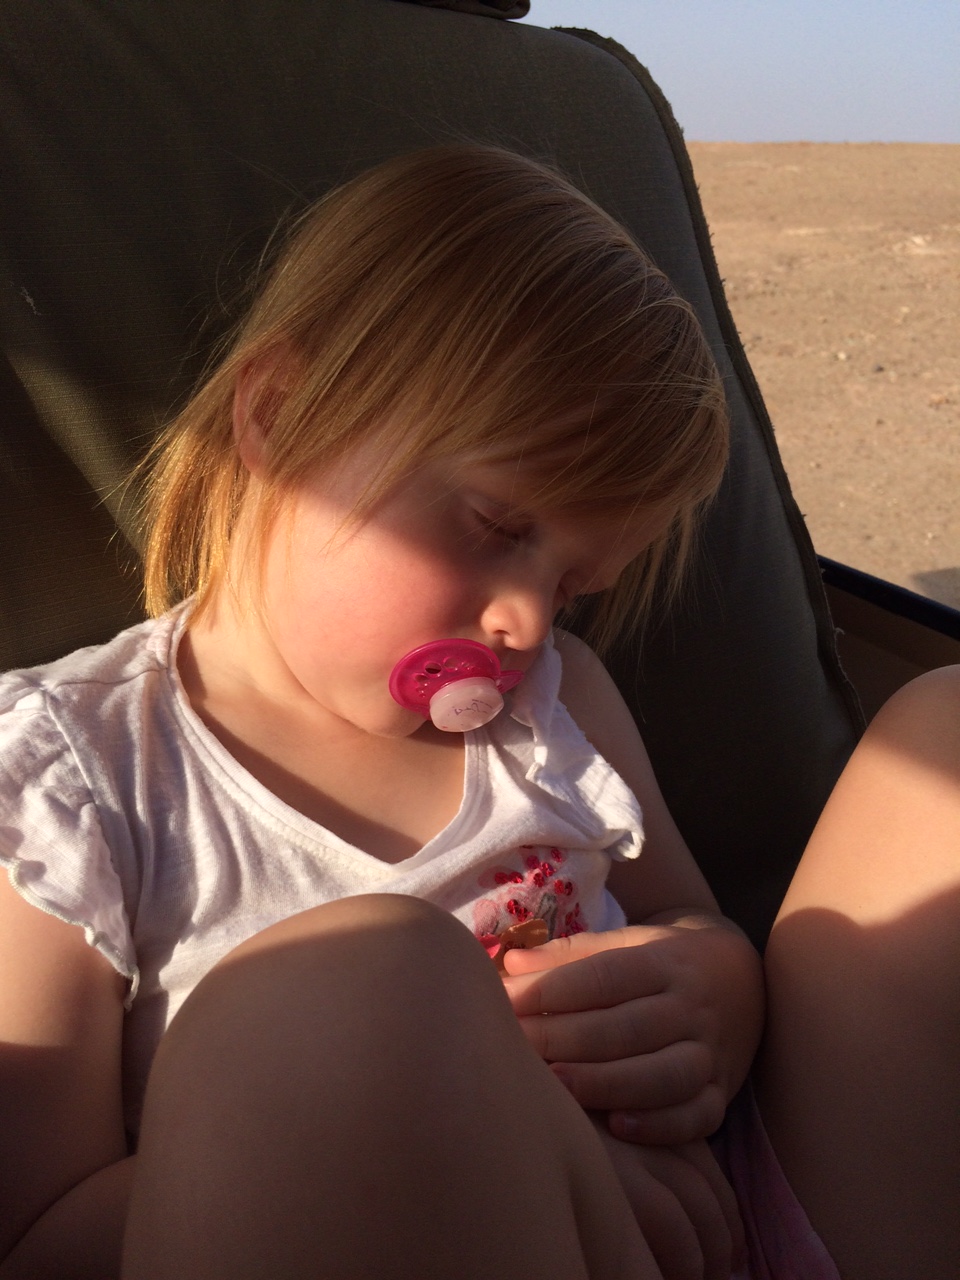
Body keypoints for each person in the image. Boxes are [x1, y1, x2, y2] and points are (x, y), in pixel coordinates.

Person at [0, 144, 954, 1280]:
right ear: (281, 415)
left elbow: (688, 919)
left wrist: (716, 988)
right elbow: (35, 1235)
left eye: (573, 587)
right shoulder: (75, 781)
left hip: (722, 1221)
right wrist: (477, 1129)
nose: (525, 623)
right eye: (497, 527)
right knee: (362, 988)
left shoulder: (554, 706)